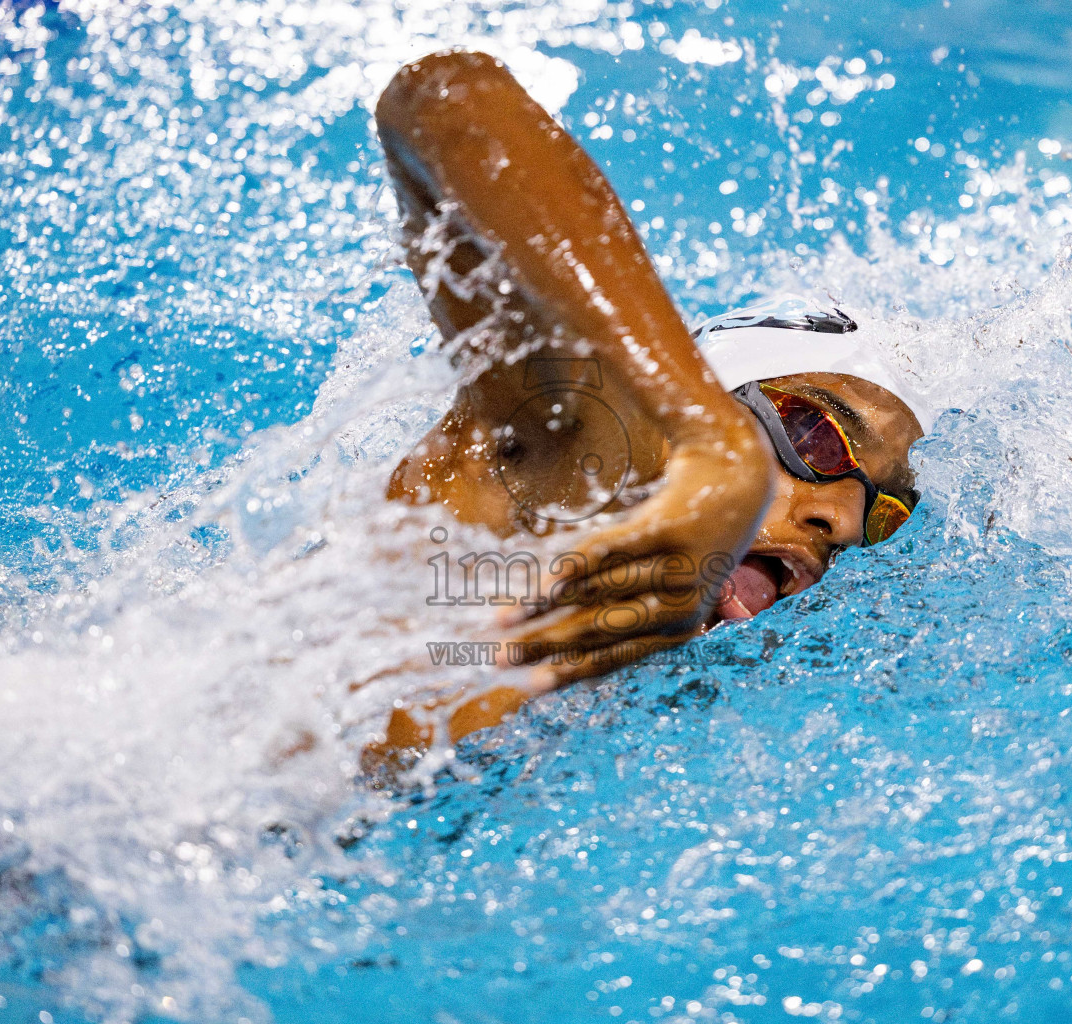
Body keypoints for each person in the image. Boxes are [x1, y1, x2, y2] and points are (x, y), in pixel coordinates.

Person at [363, 50, 931, 768]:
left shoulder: (678, 646)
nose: (843, 521)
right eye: (816, 435)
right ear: (715, 395)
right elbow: (442, 97)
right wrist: (715, 452)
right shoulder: (580, 458)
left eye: (884, 510)